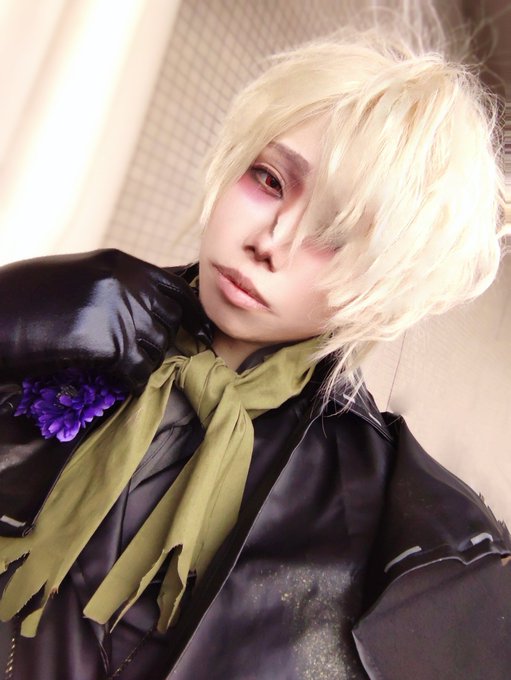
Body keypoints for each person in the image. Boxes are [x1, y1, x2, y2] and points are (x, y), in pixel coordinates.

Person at [0, 20, 509, 680]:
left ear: (385, 287)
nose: (269, 240)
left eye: (334, 234)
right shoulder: (81, 317)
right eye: (268, 179)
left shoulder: (390, 512)